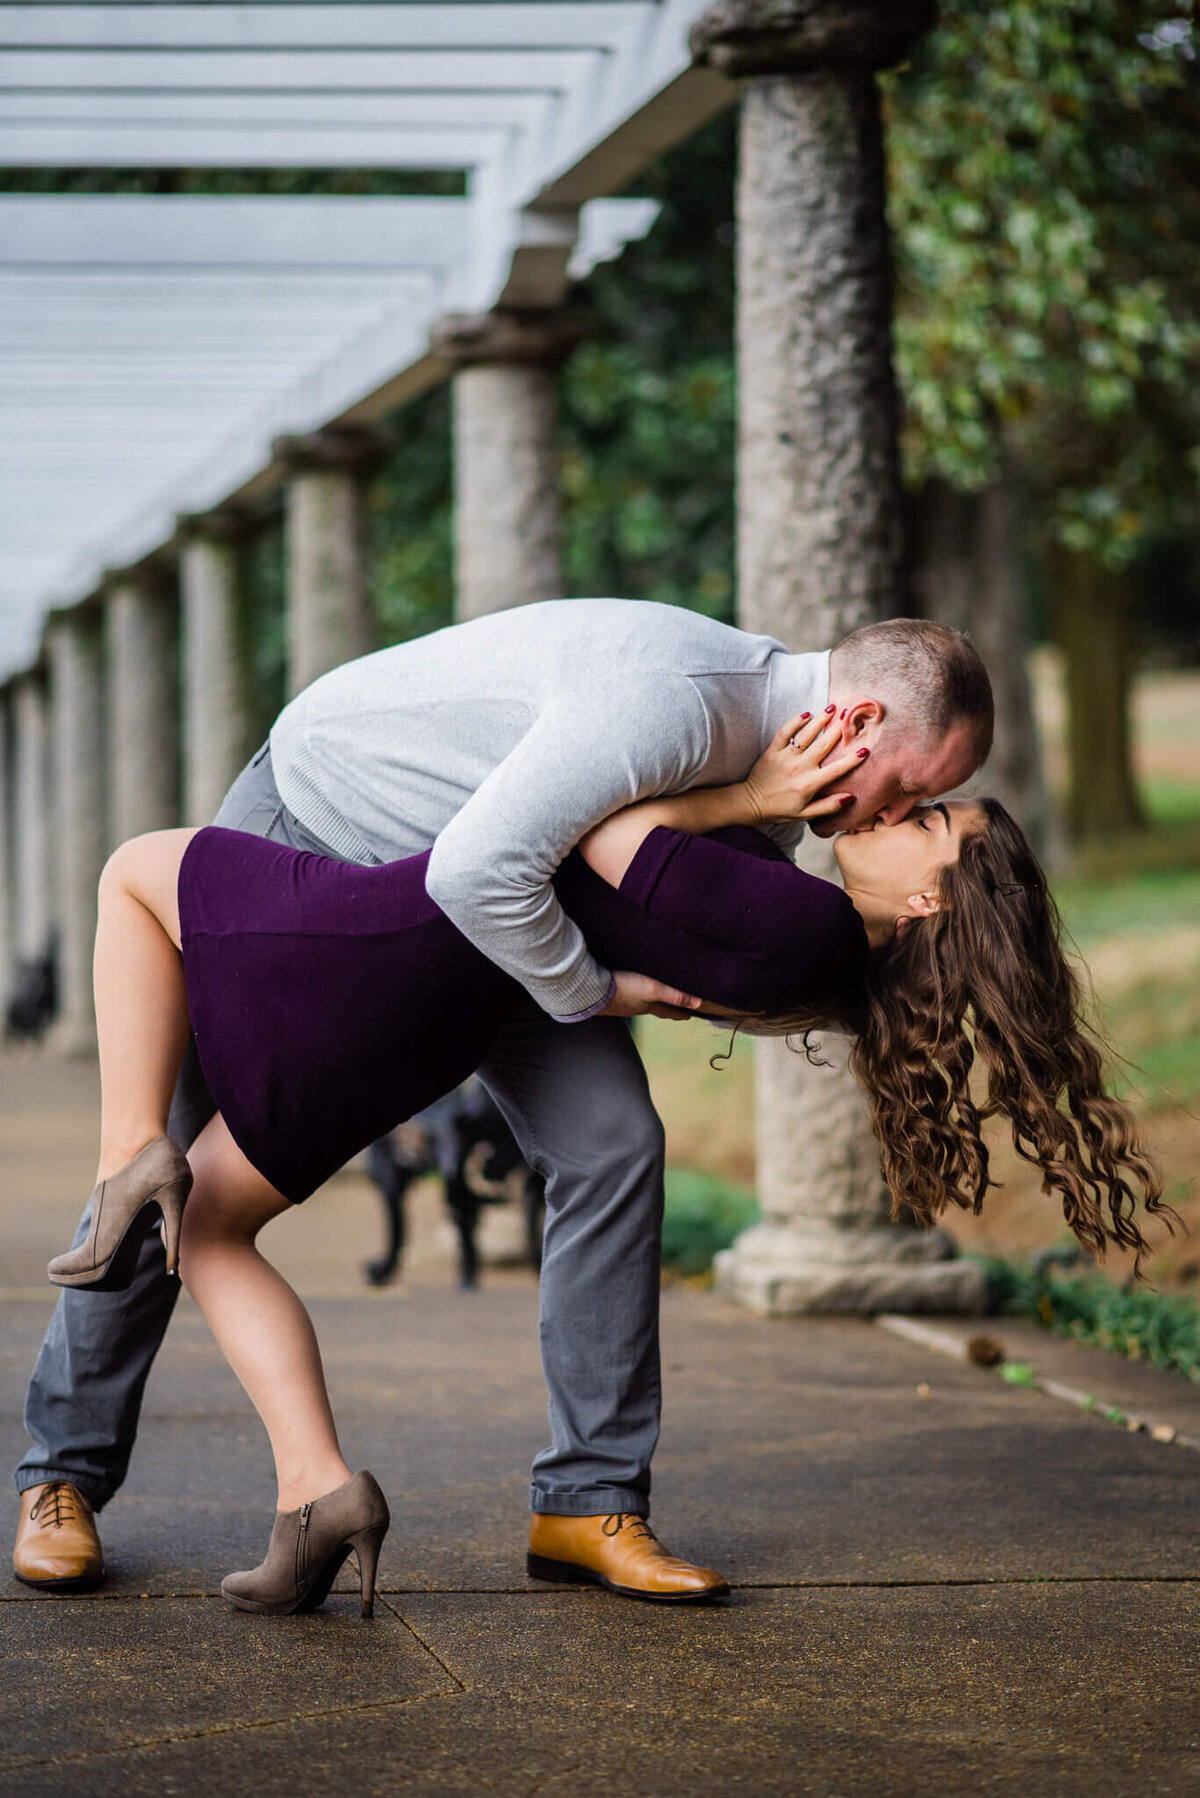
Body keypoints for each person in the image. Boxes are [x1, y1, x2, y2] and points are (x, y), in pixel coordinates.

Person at [32, 714, 1167, 1618]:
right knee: (212, 1223)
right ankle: (229, 1484)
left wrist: (755, 796)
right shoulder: (824, 960)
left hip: (400, 943)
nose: (900, 803)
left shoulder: (800, 915)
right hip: (426, 966)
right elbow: (670, 964)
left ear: (927, 899)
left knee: (135, 885)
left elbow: (591, 832)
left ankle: (139, 1167)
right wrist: (609, 981)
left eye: (930, 818)